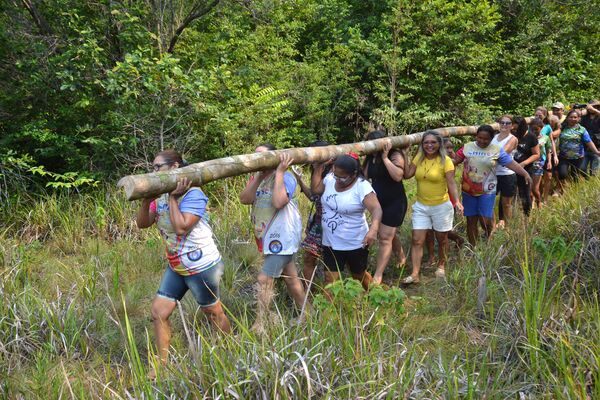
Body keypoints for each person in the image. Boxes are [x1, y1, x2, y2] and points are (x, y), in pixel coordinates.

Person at [136, 149, 231, 377]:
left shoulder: (194, 195)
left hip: (202, 265)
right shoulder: (158, 195)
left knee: (213, 312)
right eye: (153, 167)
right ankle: (161, 363)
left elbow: (181, 227)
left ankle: (230, 350)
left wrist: (172, 198)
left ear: (175, 167)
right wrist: (147, 199)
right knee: (159, 312)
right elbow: (142, 224)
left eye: (158, 167)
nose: (154, 171)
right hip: (177, 265)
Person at [239, 144, 307, 333]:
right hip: (266, 237)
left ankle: (261, 323)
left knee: (264, 278)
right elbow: (244, 199)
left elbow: (278, 202)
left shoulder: (287, 177)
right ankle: (308, 314)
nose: (257, 159)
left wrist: (279, 172)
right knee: (291, 279)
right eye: (255, 155)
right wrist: (259, 176)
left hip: (282, 236)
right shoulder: (258, 178)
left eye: (262, 155)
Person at [311, 153, 382, 293]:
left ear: (354, 174)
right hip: (330, 241)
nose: (337, 179)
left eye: (342, 177)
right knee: (330, 280)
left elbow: (377, 209)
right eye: (335, 174)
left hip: (354, 242)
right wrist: (320, 168)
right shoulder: (331, 178)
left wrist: (373, 230)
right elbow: (316, 189)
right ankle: (328, 313)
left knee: (358, 275)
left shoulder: (362, 187)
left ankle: (377, 296)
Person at [454, 125, 532, 245]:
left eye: (486, 139)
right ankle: (473, 247)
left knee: (485, 219)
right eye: (479, 138)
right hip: (468, 191)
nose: (482, 141)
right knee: (471, 220)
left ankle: (489, 235)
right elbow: (454, 161)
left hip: (487, 191)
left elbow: (510, 163)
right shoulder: (468, 147)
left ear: (491, 139)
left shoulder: (496, 149)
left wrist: (525, 173)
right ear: (476, 136)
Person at [402, 131, 463, 284]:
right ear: (422, 145)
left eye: (433, 142)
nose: (429, 145)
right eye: (426, 143)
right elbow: (407, 174)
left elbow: (451, 183)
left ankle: (441, 266)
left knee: (442, 238)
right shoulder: (419, 158)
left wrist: (457, 201)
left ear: (439, 144)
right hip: (421, 206)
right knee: (417, 239)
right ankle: (415, 274)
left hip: (441, 206)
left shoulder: (446, 161)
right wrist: (404, 153)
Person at [363, 130, 408, 285]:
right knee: (387, 234)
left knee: (384, 237)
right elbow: (363, 177)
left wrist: (384, 157)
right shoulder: (370, 159)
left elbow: (397, 176)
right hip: (378, 203)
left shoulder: (395, 155)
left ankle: (378, 275)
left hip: (395, 202)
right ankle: (401, 256)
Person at [291, 140, 331, 291]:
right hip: (318, 223)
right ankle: (309, 293)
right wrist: (299, 180)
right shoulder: (317, 169)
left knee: (336, 263)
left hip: (335, 225)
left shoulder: (334, 171)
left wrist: (319, 168)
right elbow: (314, 196)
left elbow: (317, 192)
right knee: (309, 258)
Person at [556, 109, 600, 190]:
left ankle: (574, 191)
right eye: (571, 117)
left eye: (575, 117)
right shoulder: (562, 128)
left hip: (578, 157)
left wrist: (596, 152)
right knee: (562, 174)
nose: (573, 119)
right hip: (563, 156)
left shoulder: (582, 129)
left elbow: (588, 141)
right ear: (567, 118)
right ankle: (562, 189)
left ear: (579, 118)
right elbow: (554, 137)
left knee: (575, 176)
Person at [491, 115, 518, 228]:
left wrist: (486, 158)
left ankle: (507, 228)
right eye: (502, 122)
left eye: (507, 123)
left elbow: (502, 153)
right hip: (492, 174)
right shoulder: (494, 137)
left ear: (512, 126)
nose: (504, 125)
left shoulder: (513, 139)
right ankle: (491, 227)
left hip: (507, 174)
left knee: (506, 204)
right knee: (490, 202)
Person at [512, 116, 540, 215]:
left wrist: (524, 163)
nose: (515, 131)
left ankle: (527, 215)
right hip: (511, 168)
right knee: (511, 192)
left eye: (517, 129)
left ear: (523, 127)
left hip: (526, 169)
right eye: (514, 128)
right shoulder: (512, 135)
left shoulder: (531, 137)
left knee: (525, 192)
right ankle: (511, 215)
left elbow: (536, 154)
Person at [530, 118, 553, 208]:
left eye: (536, 129)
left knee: (535, 187)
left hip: (539, 163)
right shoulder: (528, 137)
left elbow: (548, 150)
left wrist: (549, 161)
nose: (534, 131)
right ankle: (531, 204)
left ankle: (538, 202)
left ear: (541, 128)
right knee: (529, 187)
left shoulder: (545, 138)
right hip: (528, 162)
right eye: (532, 129)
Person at [580, 100, 600, 176]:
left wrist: (595, 110)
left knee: (594, 172)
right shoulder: (584, 117)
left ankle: (591, 185)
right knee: (582, 169)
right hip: (585, 148)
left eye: (595, 106)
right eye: (591, 106)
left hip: (597, 148)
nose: (592, 108)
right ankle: (586, 181)